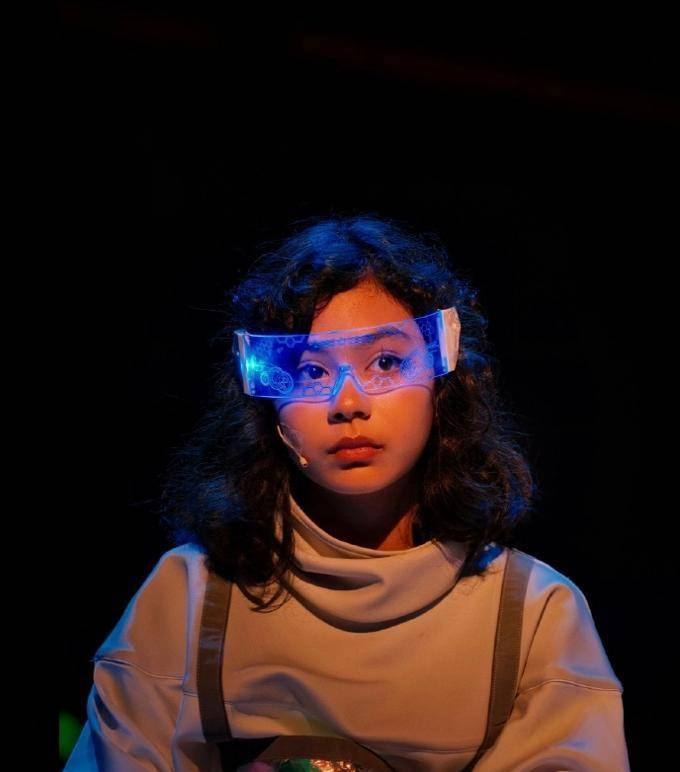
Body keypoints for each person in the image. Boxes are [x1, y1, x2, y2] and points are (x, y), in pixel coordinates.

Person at [65, 214, 630, 770]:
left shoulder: (532, 614)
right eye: (311, 372)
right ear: (267, 402)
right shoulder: (189, 597)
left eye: (386, 362)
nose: (348, 402)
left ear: (442, 375)